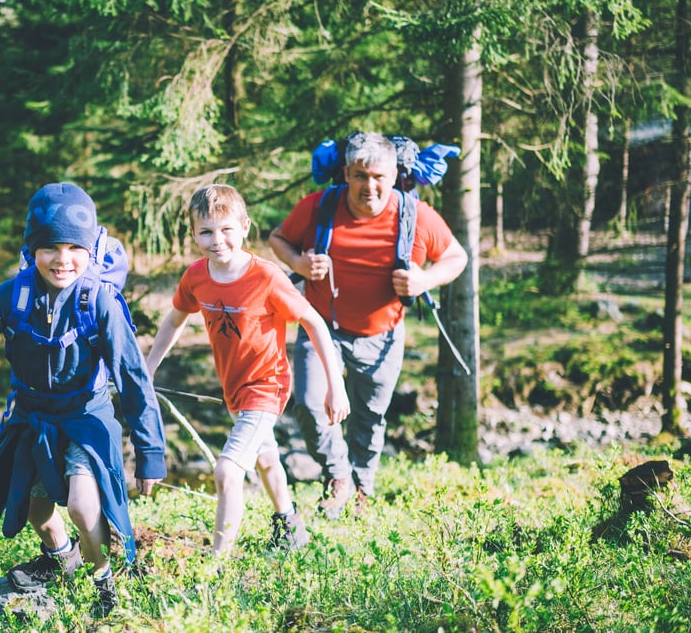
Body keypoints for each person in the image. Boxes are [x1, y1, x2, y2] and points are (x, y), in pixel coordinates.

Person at [0, 182, 167, 616]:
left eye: (74, 248)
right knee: (32, 507)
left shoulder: (100, 302)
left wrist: (150, 452)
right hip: (32, 416)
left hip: (86, 417)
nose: (63, 259)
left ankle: (104, 585)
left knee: (83, 505)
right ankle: (62, 557)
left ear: (90, 249)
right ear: (31, 249)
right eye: (50, 248)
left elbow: (132, 377)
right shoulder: (12, 296)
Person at [268, 132, 468, 518]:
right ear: (346, 173)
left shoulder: (415, 216)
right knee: (310, 404)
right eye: (360, 176)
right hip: (321, 327)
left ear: (394, 176)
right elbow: (279, 239)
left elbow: (456, 257)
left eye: (379, 177)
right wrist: (299, 263)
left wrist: (424, 280)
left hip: (383, 335)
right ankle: (338, 475)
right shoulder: (319, 207)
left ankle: (361, 490)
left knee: (369, 416)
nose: (369, 186)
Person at [146, 184, 349, 557]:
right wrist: (148, 368)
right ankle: (290, 525)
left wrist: (335, 385)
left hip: (267, 385)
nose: (217, 240)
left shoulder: (265, 277)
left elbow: (314, 322)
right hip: (233, 388)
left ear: (244, 227)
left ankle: (217, 565)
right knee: (266, 457)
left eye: (226, 229)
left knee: (227, 471)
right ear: (193, 234)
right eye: (206, 231)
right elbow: (175, 319)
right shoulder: (196, 276)